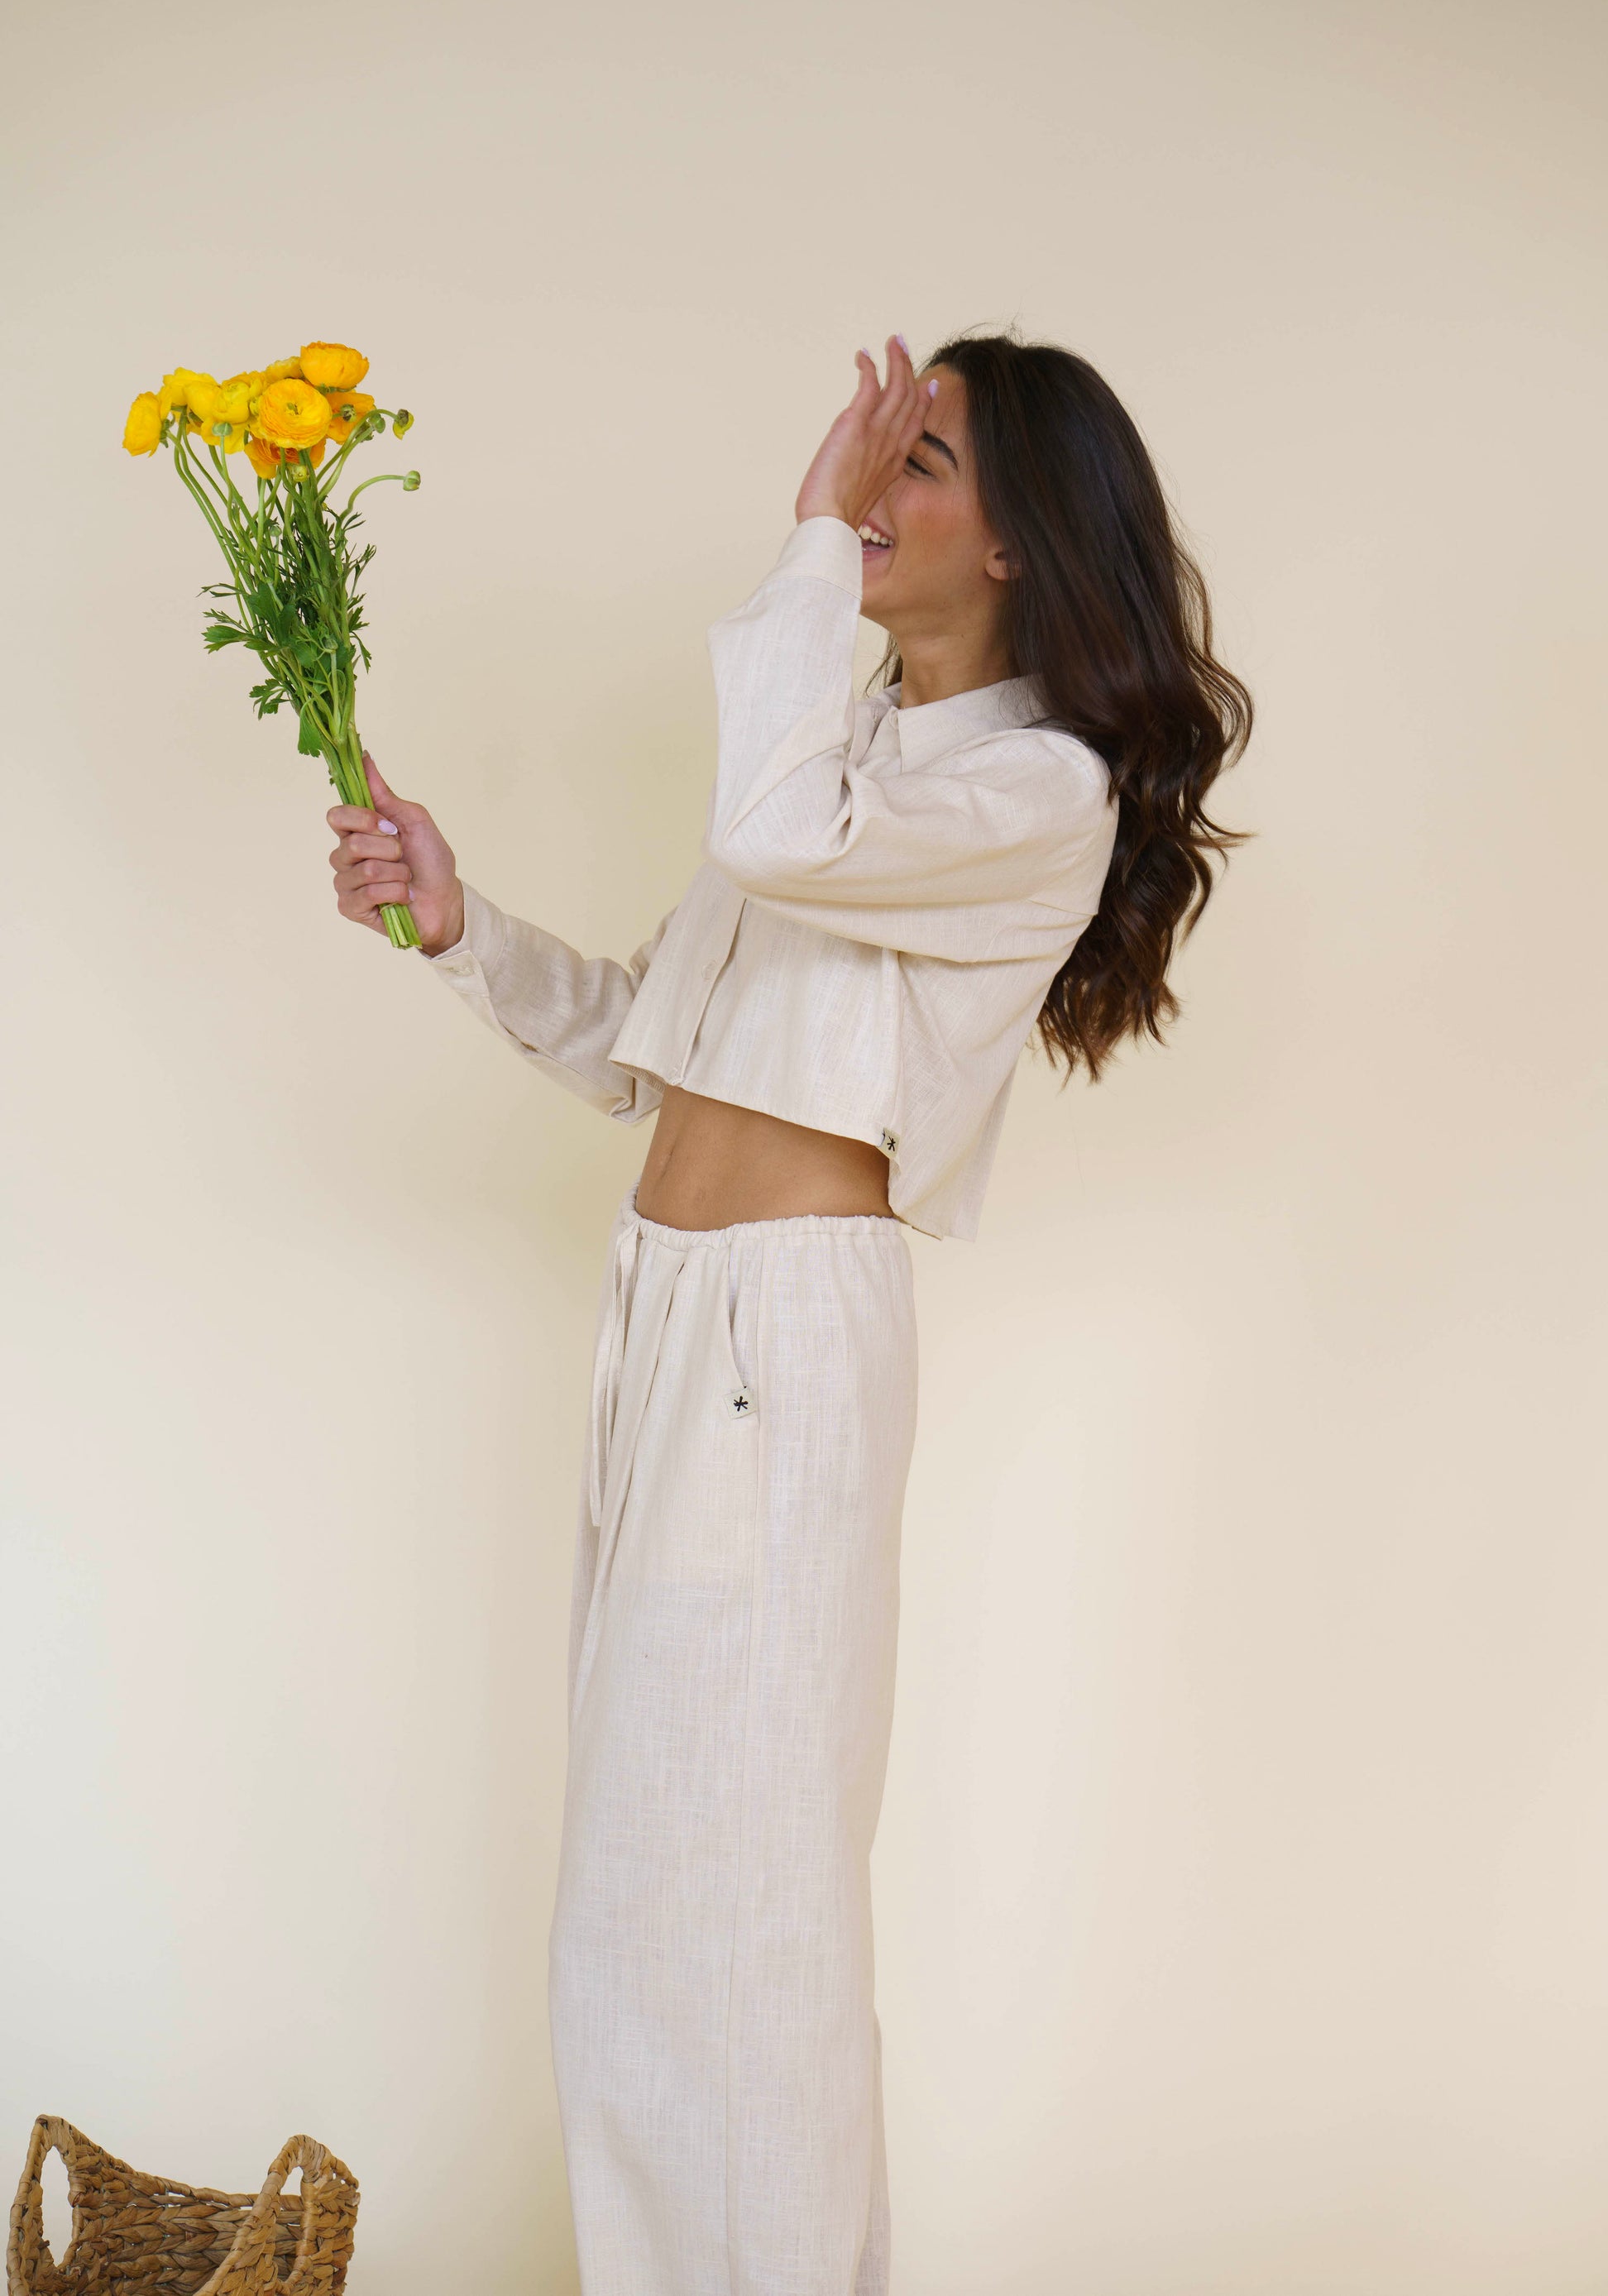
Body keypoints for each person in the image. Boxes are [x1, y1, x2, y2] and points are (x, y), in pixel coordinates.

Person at [326, 329, 1252, 2295]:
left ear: (1019, 542)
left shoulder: (1034, 786)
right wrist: (458, 927)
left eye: (919, 461)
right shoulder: (832, 756)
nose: (870, 484)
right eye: (875, 453)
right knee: (638, 1908)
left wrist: (806, 534)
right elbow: (643, 1043)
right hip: (669, 1318)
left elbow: (771, 833)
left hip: (781, 1343)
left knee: (740, 1912)